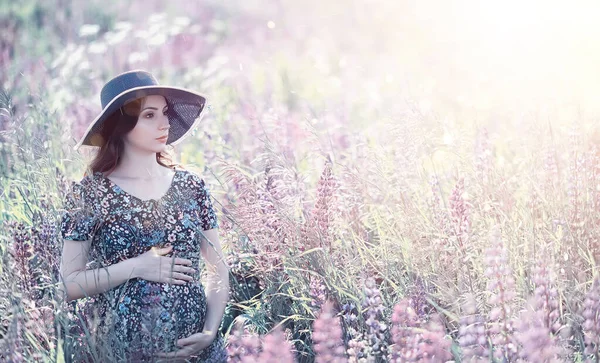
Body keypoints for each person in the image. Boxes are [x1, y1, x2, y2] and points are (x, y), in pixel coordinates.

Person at [58, 70, 229, 362]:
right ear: (120, 125)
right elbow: (68, 285)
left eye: (164, 112)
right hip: (127, 354)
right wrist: (137, 266)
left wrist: (210, 331)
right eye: (149, 115)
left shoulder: (191, 186)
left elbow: (218, 269)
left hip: (200, 354)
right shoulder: (91, 194)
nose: (164, 123)